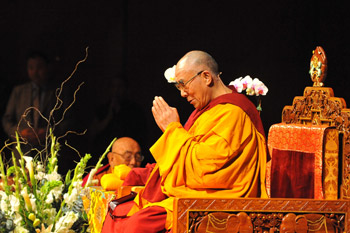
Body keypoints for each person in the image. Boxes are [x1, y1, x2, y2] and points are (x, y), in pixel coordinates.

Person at [101, 50, 268, 232]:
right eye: (178, 87)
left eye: (184, 85)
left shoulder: (233, 113)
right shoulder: (208, 111)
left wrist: (172, 129)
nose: (182, 94)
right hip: (192, 195)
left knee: (136, 224)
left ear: (206, 77)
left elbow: (206, 170)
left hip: (214, 199)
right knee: (117, 211)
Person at [2, 51, 59, 161]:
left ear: (48, 67)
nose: (35, 72)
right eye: (31, 68)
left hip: (49, 153)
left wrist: (48, 131)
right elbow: (6, 119)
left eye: (39, 67)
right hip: (22, 152)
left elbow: (69, 121)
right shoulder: (19, 91)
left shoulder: (58, 91)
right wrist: (19, 132)